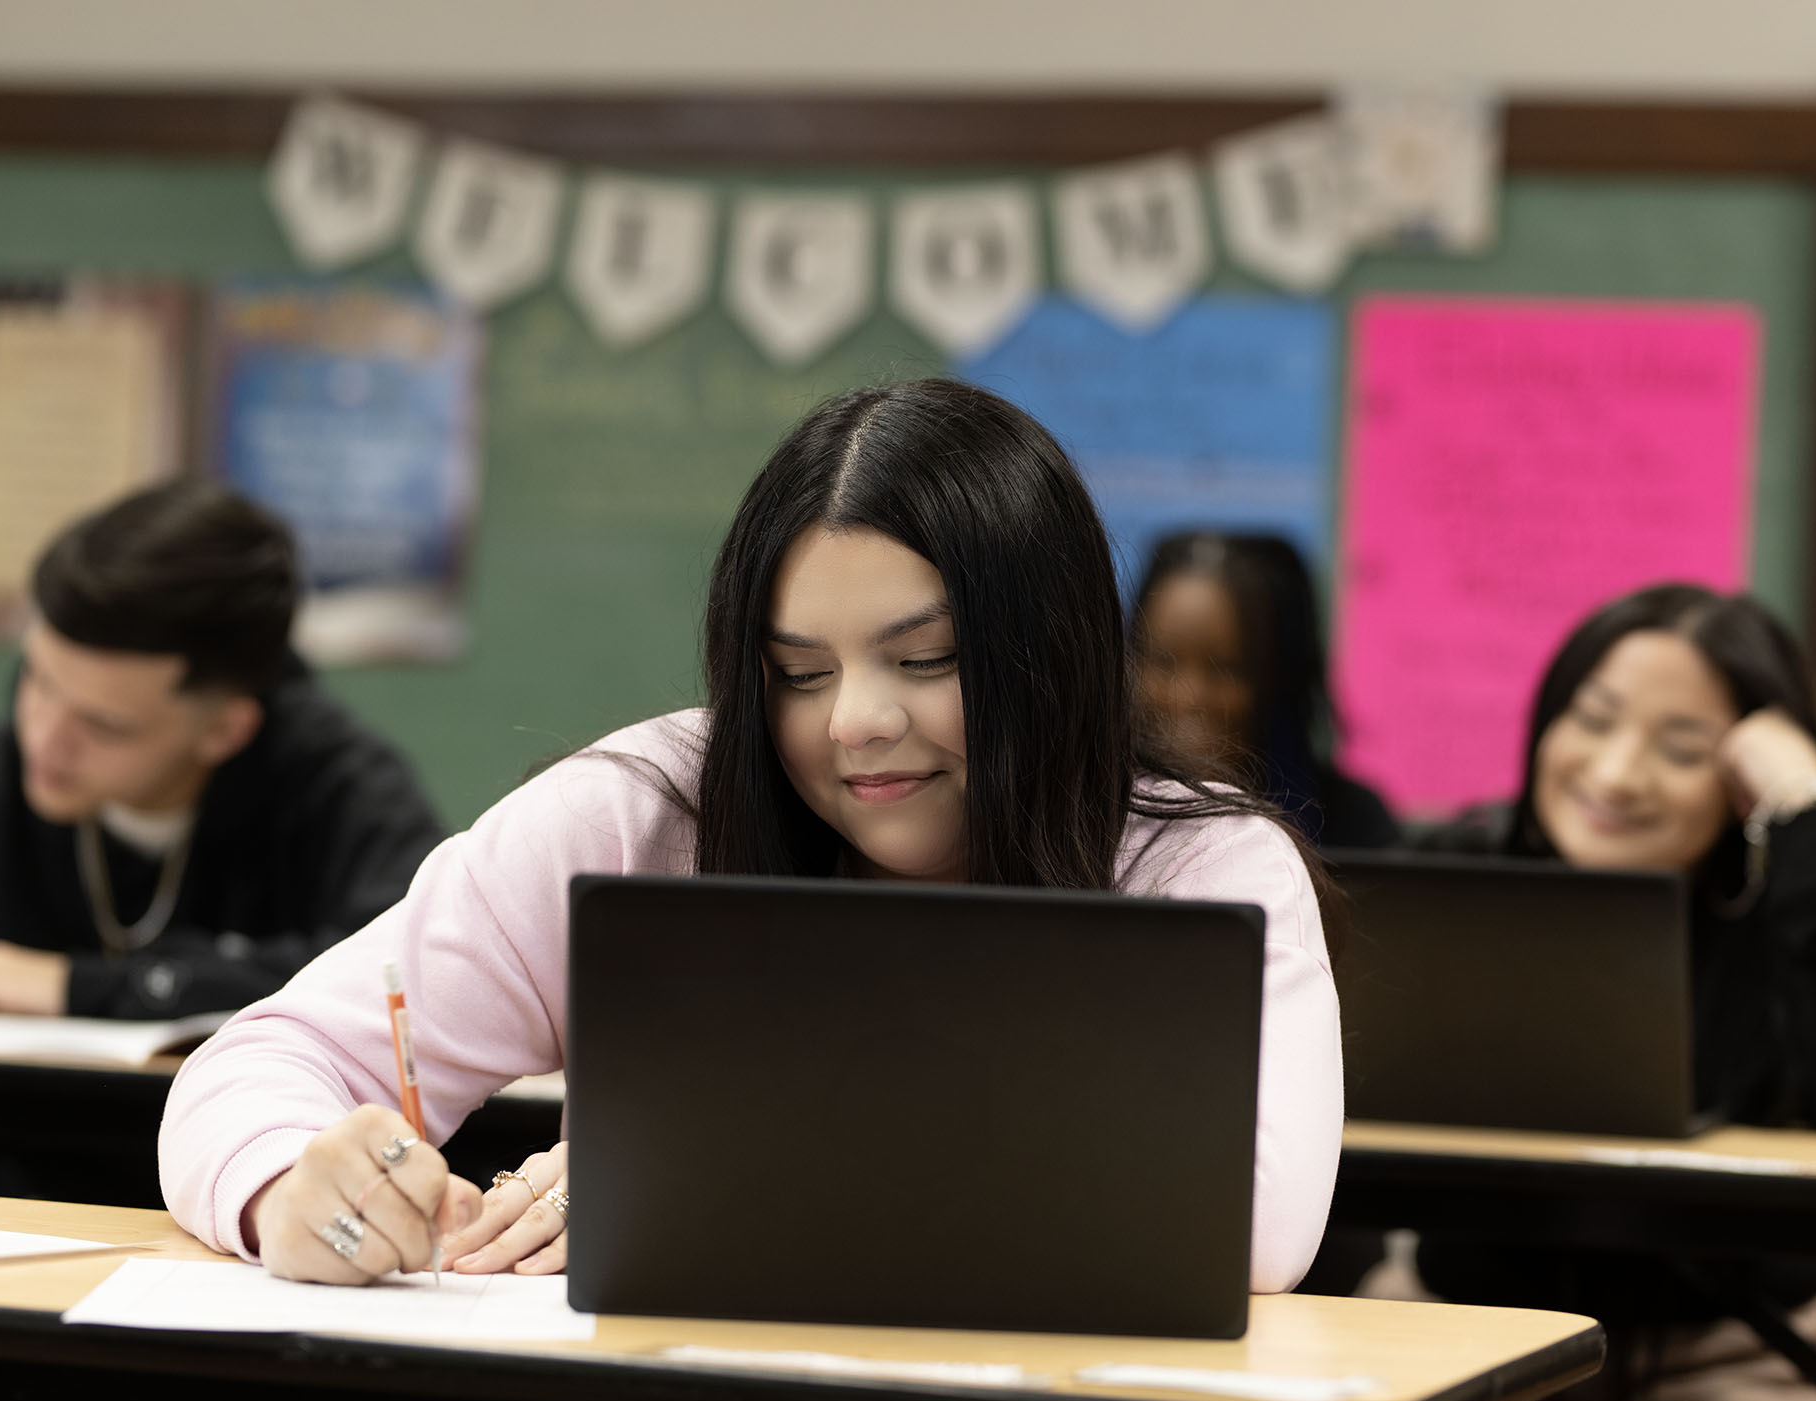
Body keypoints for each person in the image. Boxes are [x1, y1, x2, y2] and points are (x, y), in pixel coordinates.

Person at [159, 379, 1342, 1299]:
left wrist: (714, 1170)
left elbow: (1254, 1222)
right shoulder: (638, 813)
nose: (858, 724)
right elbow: (256, 1066)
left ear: (1058, 654)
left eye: (925, 660)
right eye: (796, 674)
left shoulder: (1203, 867)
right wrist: (285, 1185)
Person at [1406, 582, 1816, 1401]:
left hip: (1744, 1348)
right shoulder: (1459, 873)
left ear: (1739, 784)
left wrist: (1807, 806)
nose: (1614, 774)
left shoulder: (1790, 905)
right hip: (1480, 1324)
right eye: (1593, 720)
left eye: (1682, 749)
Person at [0, 479, 444, 1205]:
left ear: (225, 730)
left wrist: (74, 986)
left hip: (273, 1208)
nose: (44, 738)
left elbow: (403, 977)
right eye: (37, 680)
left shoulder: (339, 789)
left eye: (104, 725)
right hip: (22, 1198)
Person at [1130, 532, 1397, 849]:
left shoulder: (1352, 826)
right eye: (1163, 662)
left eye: (1224, 668)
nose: (1189, 698)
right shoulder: (1090, 815)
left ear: (1276, 681)